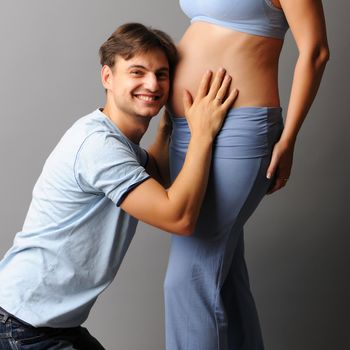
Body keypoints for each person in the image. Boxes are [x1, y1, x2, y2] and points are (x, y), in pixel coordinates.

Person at [0, 22, 238, 349]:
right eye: (137, 72)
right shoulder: (99, 146)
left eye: (162, 74)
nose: (152, 83)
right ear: (108, 78)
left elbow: (155, 174)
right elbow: (178, 218)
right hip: (22, 325)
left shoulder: (120, 144)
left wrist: (172, 124)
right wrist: (202, 135)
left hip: (46, 322)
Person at [164, 1, 330, 349]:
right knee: (224, 280)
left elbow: (315, 51)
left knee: (189, 280)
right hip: (187, 127)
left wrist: (288, 139)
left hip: (237, 130)